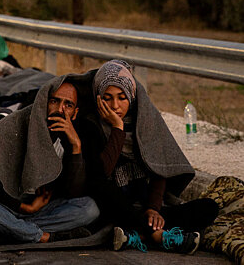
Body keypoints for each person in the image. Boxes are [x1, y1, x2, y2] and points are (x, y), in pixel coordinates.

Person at [0, 77, 100, 244]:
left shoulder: (74, 137)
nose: (60, 109)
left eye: (68, 105)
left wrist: (76, 147)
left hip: (40, 213)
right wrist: (25, 207)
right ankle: (42, 236)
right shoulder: (14, 125)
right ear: (43, 102)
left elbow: (74, 191)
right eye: (54, 101)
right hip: (5, 207)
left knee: (89, 208)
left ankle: (10, 231)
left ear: (75, 113)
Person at [82, 60, 218, 254]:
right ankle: (157, 236)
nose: (115, 106)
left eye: (122, 97)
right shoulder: (90, 126)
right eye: (107, 98)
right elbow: (102, 173)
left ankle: (138, 235)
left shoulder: (145, 120)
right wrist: (117, 129)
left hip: (144, 208)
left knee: (208, 208)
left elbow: (159, 166)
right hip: (114, 209)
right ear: (98, 98)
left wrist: (153, 208)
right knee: (101, 187)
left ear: (132, 96)